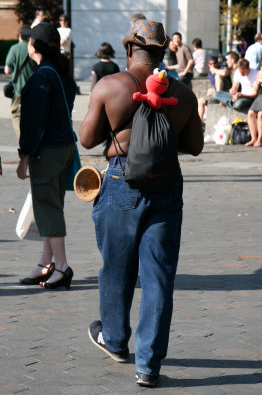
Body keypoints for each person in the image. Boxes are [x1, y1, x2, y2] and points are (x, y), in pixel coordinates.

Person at [79, 19, 203, 387]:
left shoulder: (110, 85)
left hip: (121, 182)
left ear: (130, 48)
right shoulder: (183, 94)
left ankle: (115, 340)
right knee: (158, 277)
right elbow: (195, 145)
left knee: (116, 268)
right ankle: (148, 366)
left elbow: (86, 139)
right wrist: (162, 131)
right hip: (166, 186)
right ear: (163, 51)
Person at [16, 22, 76, 290]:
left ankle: (62, 266)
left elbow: (33, 123)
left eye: (30, 40)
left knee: (47, 206)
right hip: (64, 147)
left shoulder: (42, 77)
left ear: (35, 46)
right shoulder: (61, 73)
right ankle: (45, 263)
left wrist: (24, 157)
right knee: (53, 203)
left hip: (47, 151)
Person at [4, 25, 37, 139]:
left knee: (17, 115)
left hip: (18, 88)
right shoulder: (34, 48)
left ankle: (23, 140)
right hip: (33, 88)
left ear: (20, 36)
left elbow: (7, 70)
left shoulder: (14, 48)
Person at [246, 52, 262, 147]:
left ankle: (260, 139)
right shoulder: (260, 73)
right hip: (261, 96)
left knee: (261, 114)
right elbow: (255, 90)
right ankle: (253, 138)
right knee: (251, 113)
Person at [198, 56, 231, 122]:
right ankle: (204, 119)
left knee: (217, 75)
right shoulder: (210, 74)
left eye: (214, 63)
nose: (213, 65)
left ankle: (199, 121)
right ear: (208, 65)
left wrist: (214, 70)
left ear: (218, 63)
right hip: (220, 90)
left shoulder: (222, 68)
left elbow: (224, 73)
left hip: (227, 92)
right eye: (211, 64)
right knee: (209, 92)